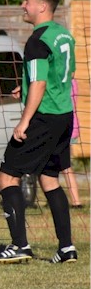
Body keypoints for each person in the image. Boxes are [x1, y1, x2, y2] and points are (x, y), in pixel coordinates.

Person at [0, 0, 78, 264]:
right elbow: (58, 74)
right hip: (63, 115)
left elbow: (39, 82)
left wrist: (24, 121)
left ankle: (19, 245)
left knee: (6, 177)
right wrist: (24, 88)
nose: (22, 5)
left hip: (43, 117)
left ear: (42, 6)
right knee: (49, 179)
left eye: (27, 0)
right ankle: (66, 248)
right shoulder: (63, 35)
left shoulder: (37, 41)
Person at [62, 78, 82, 208]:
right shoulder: (73, 82)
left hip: (64, 128)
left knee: (65, 166)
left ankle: (76, 201)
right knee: (58, 165)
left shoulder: (62, 83)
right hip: (72, 127)